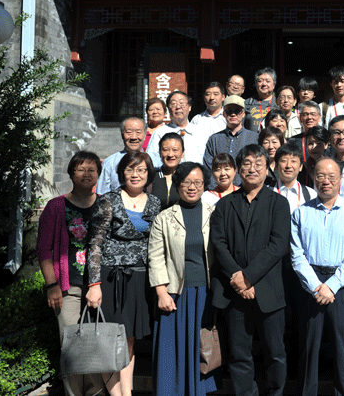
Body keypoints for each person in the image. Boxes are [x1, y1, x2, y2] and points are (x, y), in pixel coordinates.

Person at [210, 144, 291, 396]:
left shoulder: (279, 203)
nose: (252, 169)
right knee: (239, 354)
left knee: (275, 353)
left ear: (268, 169)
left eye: (258, 164)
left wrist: (248, 276)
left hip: (268, 290)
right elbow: (218, 244)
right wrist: (239, 279)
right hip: (234, 291)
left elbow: (278, 245)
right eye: (246, 164)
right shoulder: (225, 205)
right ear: (238, 169)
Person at [86, 151, 162, 396]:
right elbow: (95, 244)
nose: (135, 175)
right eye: (130, 169)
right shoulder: (108, 200)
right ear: (121, 173)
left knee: (129, 340)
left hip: (141, 279)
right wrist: (94, 284)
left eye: (141, 170)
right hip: (111, 278)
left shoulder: (154, 202)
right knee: (111, 340)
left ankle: (126, 392)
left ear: (149, 174)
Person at [290, 157, 344, 396]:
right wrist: (316, 285)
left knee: (343, 347)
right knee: (308, 347)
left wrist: (331, 286)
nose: (326, 181)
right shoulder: (301, 212)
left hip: (341, 285)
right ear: (313, 178)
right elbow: (296, 255)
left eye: (332, 177)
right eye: (321, 176)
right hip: (309, 285)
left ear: (340, 179)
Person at [37, 151, 105, 396]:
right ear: (71, 173)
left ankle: (96, 392)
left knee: (98, 345)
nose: (86, 174)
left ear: (98, 174)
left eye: (92, 170)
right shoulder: (56, 206)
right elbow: (43, 248)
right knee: (72, 347)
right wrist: (51, 285)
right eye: (80, 169)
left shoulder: (105, 204)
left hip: (100, 287)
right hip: (68, 288)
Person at [148, 161, 218, 396]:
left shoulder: (214, 214)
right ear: (178, 184)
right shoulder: (164, 218)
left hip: (205, 293)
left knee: (201, 347)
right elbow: (156, 257)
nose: (192, 187)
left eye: (198, 182)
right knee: (172, 350)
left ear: (204, 185)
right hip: (175, 294)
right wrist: (161, 292)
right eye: (187, 182)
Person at [203, 95, 259, 187]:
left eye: (237, 111)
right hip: (219, 190)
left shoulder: (254, 138)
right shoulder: (214, 139)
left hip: (246, 189)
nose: (233, 114)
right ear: (224, 114)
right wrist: (216, 191)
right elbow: (209, 169)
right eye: (229, 111)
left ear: (243, 114)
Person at [147, 90, 208, 164]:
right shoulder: (160, 133)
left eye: (182, 103)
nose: (178, 107)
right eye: (173, 104)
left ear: (189, 107)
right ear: (169, 109)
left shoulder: (201, 132)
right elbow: (152, 160)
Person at [98, 117, 150, 194]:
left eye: (138, 132)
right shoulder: (109, 163)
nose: (133, 137)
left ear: (145, 135)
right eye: (129, 132)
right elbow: (101, 194)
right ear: (122, 135)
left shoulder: (153, 161)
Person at [271, 144, 317, 213]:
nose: (288, 166)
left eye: (293, 161)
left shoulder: (311, 195)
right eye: (284, 161)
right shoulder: (267, 193)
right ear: (276, 166)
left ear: (301, 167)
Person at [149, 133, 184, 210]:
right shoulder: (151, 176)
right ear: (160, 153)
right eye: (165, 150)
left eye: (175, 150)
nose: (170, 154)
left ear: (182, 153)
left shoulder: (187, 176)